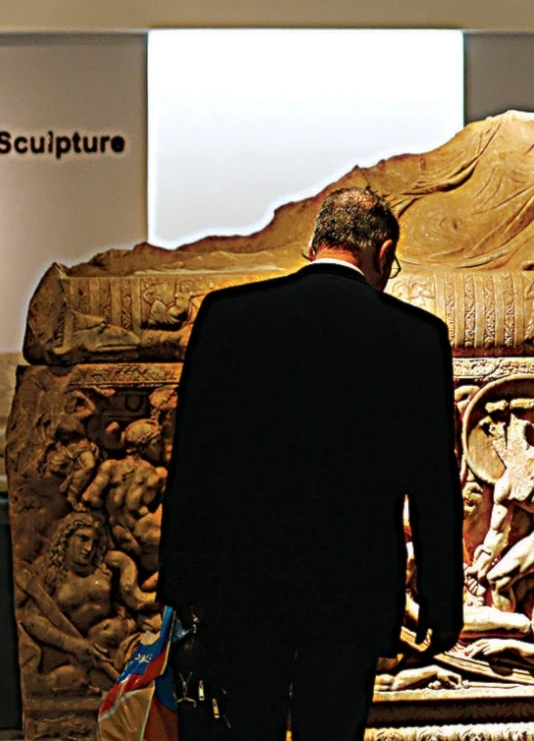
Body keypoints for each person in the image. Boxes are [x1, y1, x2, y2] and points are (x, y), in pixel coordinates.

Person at [157, 187, 464, 741]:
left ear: (313, 243)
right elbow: (433, 486)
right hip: (352, 593)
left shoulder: (229, 318)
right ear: (384, 252)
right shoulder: (416, 338)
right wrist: (442, 604)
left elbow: (193, 465)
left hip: (243, 588)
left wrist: (181, 587)